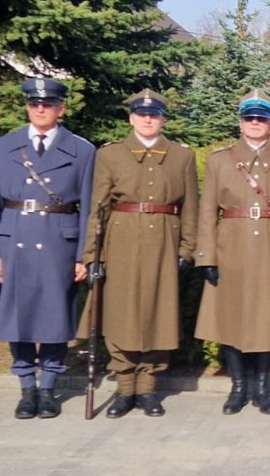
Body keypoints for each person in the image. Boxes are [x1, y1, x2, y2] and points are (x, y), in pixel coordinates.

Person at [79, 89, 198, 418]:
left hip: (164, 239)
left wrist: (187, 249)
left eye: (155, 114)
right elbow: (97, 209)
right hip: (121, 240)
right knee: (121, 313)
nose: (148, 119)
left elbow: (190, 208)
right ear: (131, 118)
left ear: (162, 119)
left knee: (158, 312)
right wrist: (93, 256)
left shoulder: (181, 156)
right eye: (142, 114)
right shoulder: (110, 155)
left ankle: (147, 387)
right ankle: (124, 387)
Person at [0, 77, 95, 419]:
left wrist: (83, 255)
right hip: (14, 238)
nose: (40, 110)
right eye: (34, 104)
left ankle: (49, 388)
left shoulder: (82, 150)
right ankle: (26, 387)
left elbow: (87, 207)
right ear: (27, 106)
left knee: (55, 315)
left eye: (47, 105)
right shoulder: (5, 146)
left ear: (61, 108)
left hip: (60, 239)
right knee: (20, 315)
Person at [194, 91, 270, 415]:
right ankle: (238, 388)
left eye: (261, 118)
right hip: (230, 247)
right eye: (249, 118)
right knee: (230, 320)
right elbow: (206, 212)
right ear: (240, 122)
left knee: (268, 320)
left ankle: (262, 390)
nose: (255, 123)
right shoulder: (220, 160)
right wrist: (206, 256)